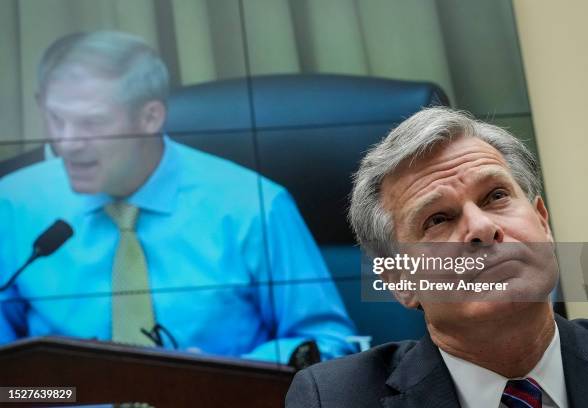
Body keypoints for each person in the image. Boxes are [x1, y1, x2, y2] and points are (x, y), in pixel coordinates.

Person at [0, 30, 356, 363]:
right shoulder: (14, 204)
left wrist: (223, 379)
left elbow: (329, 344)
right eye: (56, 119)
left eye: (91, 124)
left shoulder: (253, 205)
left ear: (150, 117)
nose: (67, 144)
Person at [286, 107, 588, 407]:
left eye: (496, 196)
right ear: (400, 279)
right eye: (438, 219)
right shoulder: (331, 400)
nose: (482, 228)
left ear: (543, 221)